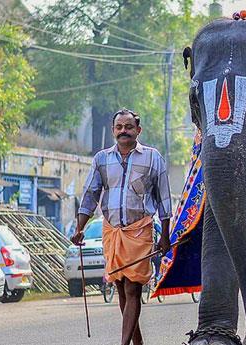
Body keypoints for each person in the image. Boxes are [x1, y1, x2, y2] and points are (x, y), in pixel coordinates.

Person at [71, 109, 172, 345]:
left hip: (140, 230)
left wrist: (165, 235)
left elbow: (164, 199)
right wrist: (79, 228)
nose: (124, 131)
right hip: (112, 231)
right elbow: (90, 195)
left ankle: (124, 343)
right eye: (119, 127)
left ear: (138, 130)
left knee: (132, 289)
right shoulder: (102, 159)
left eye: (128, 127)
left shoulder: (153, 157)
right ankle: (137, 343)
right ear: (113, 130)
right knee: (120, 287)